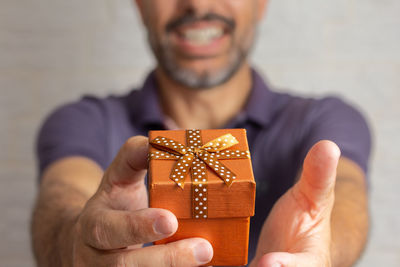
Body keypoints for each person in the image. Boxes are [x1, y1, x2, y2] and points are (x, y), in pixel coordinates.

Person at [31, 0, 371, 266]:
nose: (198, 3)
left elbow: (345, 192)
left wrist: (321, 245)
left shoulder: (323, 118)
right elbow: (63, 196)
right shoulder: (84, 121)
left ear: (261, 3)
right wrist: (78, 244)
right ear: (140, 4)